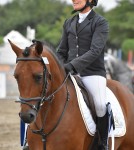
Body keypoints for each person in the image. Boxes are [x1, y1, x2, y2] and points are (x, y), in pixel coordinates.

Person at [57, 0, 114, 149]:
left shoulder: (100, 22)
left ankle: (102, 143)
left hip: (92, 73)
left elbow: (95, 51)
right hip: (69, 72)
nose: (74, 0)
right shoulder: (69, 22)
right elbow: (62, 51)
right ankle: (29, 141)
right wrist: (57, 66)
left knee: (100, 105)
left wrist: (72, 66)